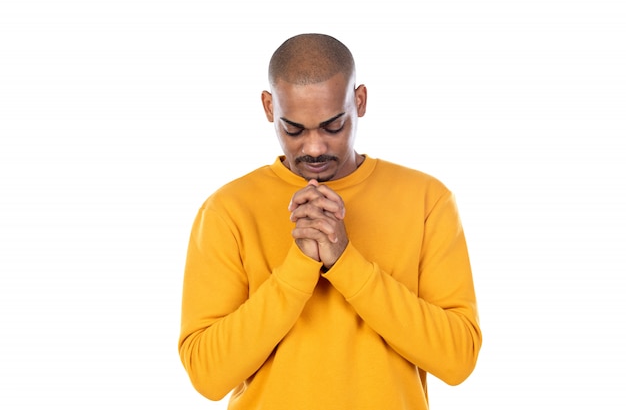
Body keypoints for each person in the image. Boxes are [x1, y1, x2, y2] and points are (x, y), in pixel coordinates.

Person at [178, 33, 481, 410]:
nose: (315, 147)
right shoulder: (227, 210)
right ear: (269, 107)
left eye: (333, 126)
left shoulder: (427, 199)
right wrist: (298, 268)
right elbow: (208, 377)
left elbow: (458, 360)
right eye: (294, 129)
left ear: (360, 101)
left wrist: (345, 263)